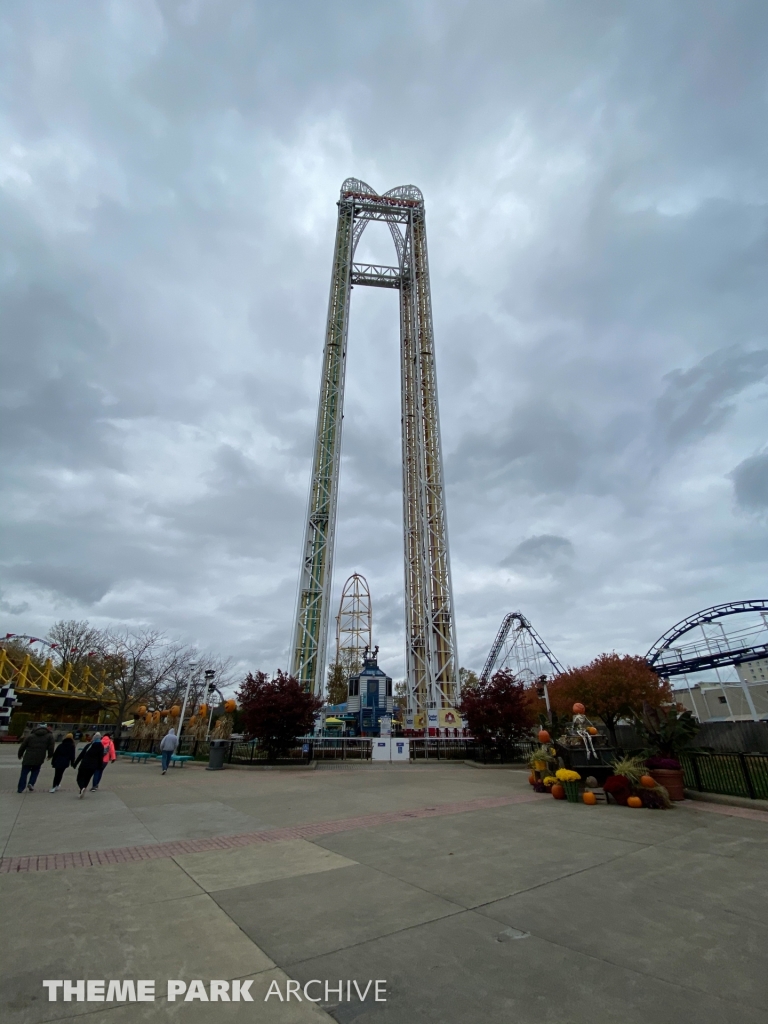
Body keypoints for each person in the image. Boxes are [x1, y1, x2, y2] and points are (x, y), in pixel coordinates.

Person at [17, 724, 55, 793]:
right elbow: (51, 747)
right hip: (39, 757)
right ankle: (31, 783)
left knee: (24, 773)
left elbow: (23, 746)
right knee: (35, 771)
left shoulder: (31, 736)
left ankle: (20, 788)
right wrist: (50, 755)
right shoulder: (49, 736)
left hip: (28, 757)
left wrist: (20, 754)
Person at [74, 733, 106, 798]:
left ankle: (82, 787)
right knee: (87, 778)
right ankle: (82, 790)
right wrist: (100, 766)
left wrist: (75, 763)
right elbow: (100, 757)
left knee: (79, 778)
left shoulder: (89, 745)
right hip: (93, 766)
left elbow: (82, 754)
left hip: (85, 764)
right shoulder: (101, 746)